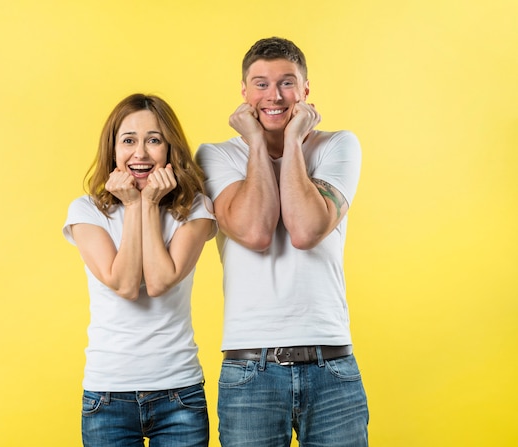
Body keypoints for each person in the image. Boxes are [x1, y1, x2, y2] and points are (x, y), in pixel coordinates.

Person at [195, 37, 369, 446]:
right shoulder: (215, 155)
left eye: (286, 83)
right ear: (243, 92)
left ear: (305, 91)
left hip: (333, 365)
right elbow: (255, 232)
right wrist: (257, 143)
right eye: (260, 84)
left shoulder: (338, 145)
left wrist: (292, 142)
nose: (273, 96)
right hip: (250, 368)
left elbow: (306, 230)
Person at [63, 93, 216, 447]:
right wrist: (135, 205)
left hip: (179, 392)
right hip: (108, 395)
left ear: (169, 149)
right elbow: (126, 284)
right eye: (128, 140)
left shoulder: (195, 208)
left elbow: (161, 280)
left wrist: (147, 202)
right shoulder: (86, 211)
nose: (141, 153)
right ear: (113, 150)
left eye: (154, 140)